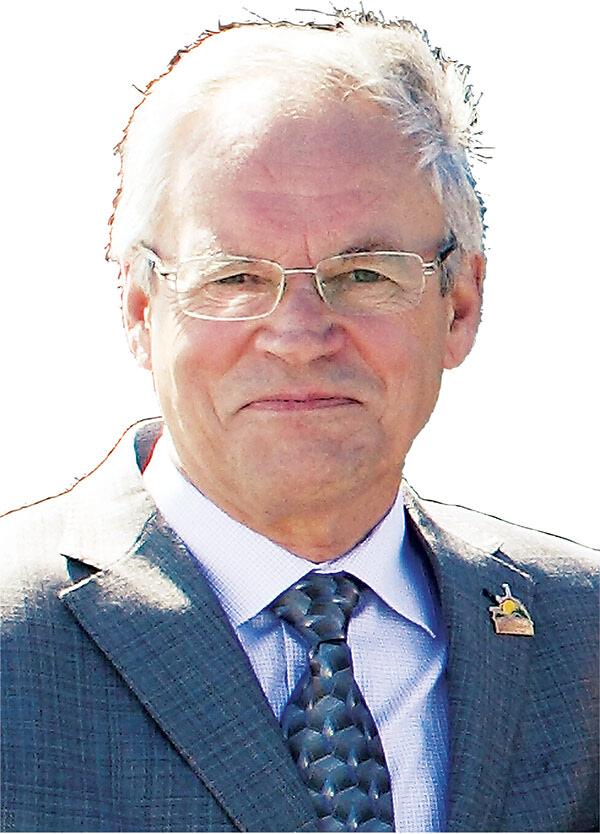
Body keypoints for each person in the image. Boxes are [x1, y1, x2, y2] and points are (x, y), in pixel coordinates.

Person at [1, 9, 597, 833]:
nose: (299, 335)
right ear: (140, 311)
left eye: (364, 273)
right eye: (234, 277)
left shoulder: (581, 637)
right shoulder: (15, 637)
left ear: (459, 306)